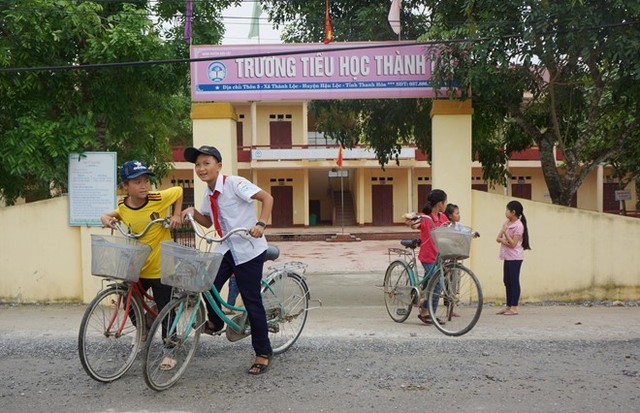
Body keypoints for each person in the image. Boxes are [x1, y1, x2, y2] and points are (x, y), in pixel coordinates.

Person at [181, 145, 274, 375]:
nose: (201, 168)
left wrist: (261, 223)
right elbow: (208, 221)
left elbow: (266, 197)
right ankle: (216, 322)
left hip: (249, 249)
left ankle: (263, 352)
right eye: (198, 165)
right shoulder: (208, 192)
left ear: (218, 166)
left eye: (206, 163)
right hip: (226, 248)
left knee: (252, 301)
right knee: (206, 285)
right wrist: (192, 211)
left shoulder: (234, 183)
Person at [100, 160, 183, 370]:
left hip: (161, 265)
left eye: (146, 181)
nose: (144, 186)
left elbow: (179, 191)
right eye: (137, 182)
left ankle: (170, 350)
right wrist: (105, 217)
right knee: (128, 300)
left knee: (166, 308)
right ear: (126, 186)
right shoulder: (123, 206)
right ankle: (143, 329)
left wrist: (175, 214)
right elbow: (118, 213)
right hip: (138, 266)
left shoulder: (157, 198)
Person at [404, 189, 449, 325]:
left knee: (430, 283)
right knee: (437, 285)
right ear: (440, 203)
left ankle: (423, 303)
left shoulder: (443, 217)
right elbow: (413, 224)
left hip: (439, 256)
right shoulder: (425, 217)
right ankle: (427, 313)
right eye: (445, 202)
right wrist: (411, 221)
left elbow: (450, 229)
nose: (446, 204)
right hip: (428, 256)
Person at [495, 200, 531, 316]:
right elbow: (498, 238)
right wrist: (503, 237)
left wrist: (505, 236)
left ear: (513, 212)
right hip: (507, 256)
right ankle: (508, 305)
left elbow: (513, 244)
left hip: (515, 257)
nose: (505, 212)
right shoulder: (507, 223)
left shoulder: (519, 226)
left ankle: (514, 307)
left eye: (507, 210)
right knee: (507, 281)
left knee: (514, 281)